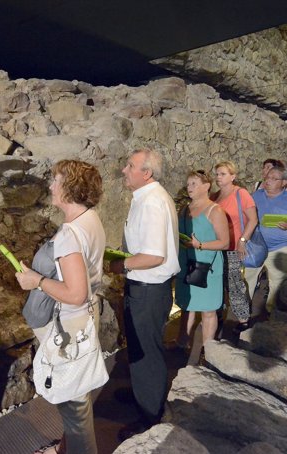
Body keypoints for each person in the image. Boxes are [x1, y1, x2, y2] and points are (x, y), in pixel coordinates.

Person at [15, 160, 105, 454]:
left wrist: (36, 281)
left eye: (56, 181)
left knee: (75, 408)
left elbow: (75, 294)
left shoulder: (69, 235)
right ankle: (65, 448)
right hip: (84, 319)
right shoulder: (90, 219)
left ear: (70, 188)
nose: (51, 186)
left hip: (70, 325)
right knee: (78, 398)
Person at [109, 148, 180, 441]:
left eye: (130, 165)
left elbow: (153, 256)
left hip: (149, 289)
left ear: (146, 173)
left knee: (147, 352)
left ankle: (150, 416)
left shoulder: (152, 203)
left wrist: (120, 263)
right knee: (139, 347)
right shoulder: (146, 198)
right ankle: (142, 394)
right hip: (144, 287)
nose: (124, 170)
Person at [176, 170, 229, 349]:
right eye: (188, 183)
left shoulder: (215, 210)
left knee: (208, 310)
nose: (189, 187)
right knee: (187, 305)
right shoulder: (184, 209)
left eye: (194, 184)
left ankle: (209, 349)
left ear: (206, 186)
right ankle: (182, 342)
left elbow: (224, 242)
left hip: (208, 266)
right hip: (186, 263)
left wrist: (200, 245)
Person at [245, 166, 287, 313]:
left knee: (277, 282)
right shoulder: (255, 196)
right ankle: (244, 311)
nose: (268, 181)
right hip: (255, 246)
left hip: (279, 247)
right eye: (267, 178)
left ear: (284, 182)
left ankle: (271, 313)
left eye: (274, 178)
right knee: (247, 280)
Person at [212, 161, 258, 332]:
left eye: (223, 174)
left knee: (234, 283)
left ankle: (243, 318)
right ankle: (218, 317)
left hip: (233, 247)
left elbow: (253, 220)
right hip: (217, 248)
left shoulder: (241, 194)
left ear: (233, 176)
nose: (218, 177)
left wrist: (242, 240)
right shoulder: (215, 197)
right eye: (217, 174)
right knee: (218, 282)